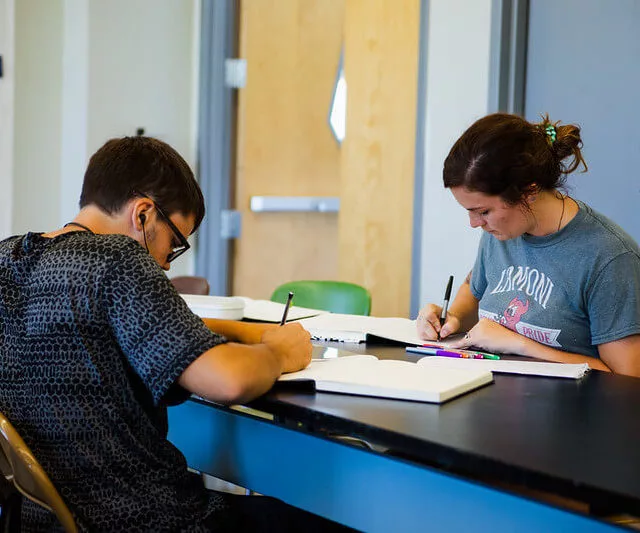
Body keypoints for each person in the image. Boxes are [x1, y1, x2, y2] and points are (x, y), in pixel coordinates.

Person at [0, 136, 353, 531]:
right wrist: (280, 353)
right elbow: (228, 379)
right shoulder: (116, 257)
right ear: (143, 215)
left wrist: (252, 335)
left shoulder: (9, 259)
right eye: (173, 245)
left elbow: (124, 325)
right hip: (153, 519)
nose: (167, 266)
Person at [417, 113, 640, 378]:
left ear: (529, 192)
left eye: (483, 211)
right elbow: (474, 287)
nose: (474, 223)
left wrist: (521, 345)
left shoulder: (609, 257)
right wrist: (451, 318)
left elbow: (627, 380)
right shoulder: (501, 231)